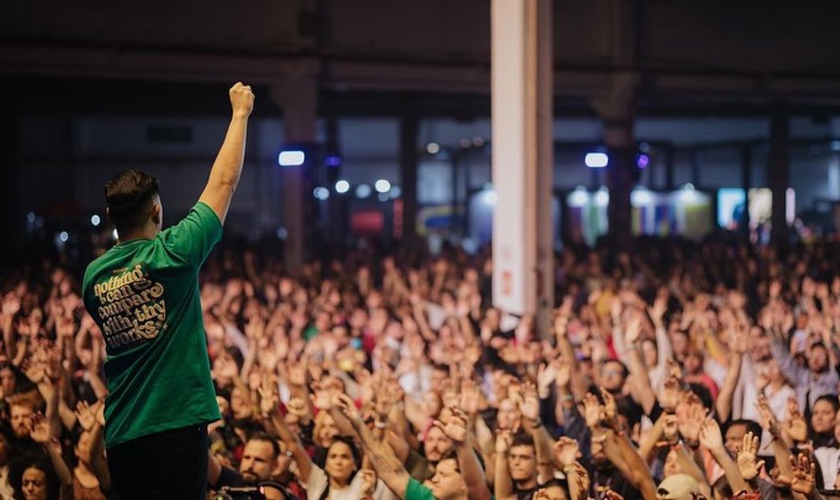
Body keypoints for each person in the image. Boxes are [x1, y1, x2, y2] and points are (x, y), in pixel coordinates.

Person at [81, 82, 255, 500]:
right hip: (173, 426)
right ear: (157, 210)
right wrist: (240, 115)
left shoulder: (93, 277)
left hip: (122, 431)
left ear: (110, 215)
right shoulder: (173, 254)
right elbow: (225, 181)